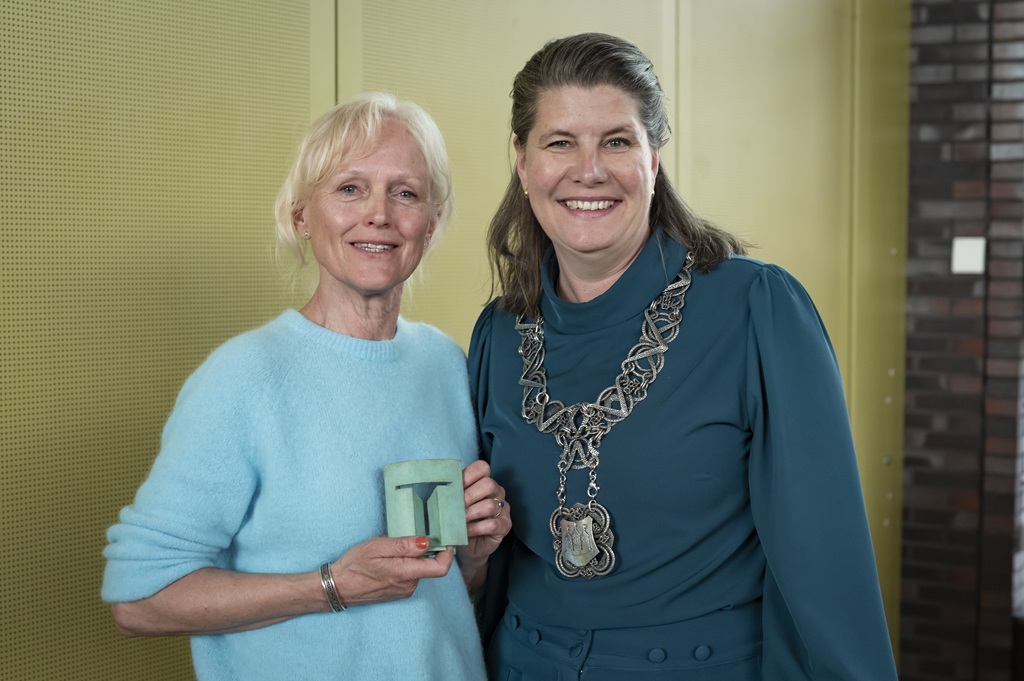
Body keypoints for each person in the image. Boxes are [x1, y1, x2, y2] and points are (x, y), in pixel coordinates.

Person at [468, 33, 898, 680]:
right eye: (560, 142)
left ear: (653, 158)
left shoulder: (758, 310)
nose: (589, 170)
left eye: (617, 140)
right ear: (523, 162)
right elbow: (488, 569)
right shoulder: (496, 334)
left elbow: (824, 565)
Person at [102, 92, 510, 681]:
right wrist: (330, 586)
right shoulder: (243, 378)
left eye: (406, 193)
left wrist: (474, 555)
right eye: (349, 188)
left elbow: (443, 591)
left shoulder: (446, 363)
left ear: (431, 222)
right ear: (301, 217)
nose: (379, 214)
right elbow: (139, 603)